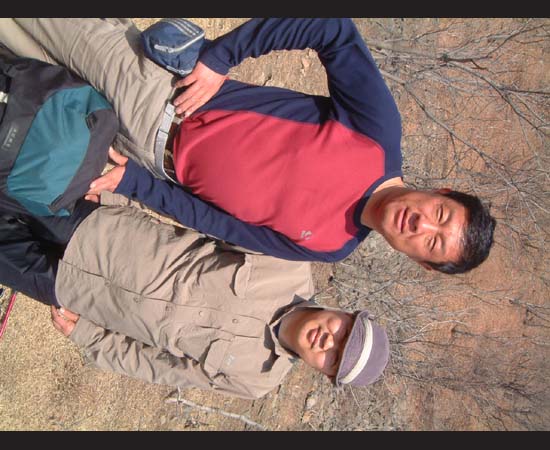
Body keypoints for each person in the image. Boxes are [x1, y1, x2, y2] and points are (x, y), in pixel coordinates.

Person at [0, 18, 496, 273]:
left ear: (420, 261)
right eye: (441, 215)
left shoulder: (331, 248)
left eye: (433, 242)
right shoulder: (379, 134)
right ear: (441, 192)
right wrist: (222, 58)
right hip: (157, 91)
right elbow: (333, 29)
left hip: (136, 157)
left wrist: (132, 183)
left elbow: (219, 223)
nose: (422, 225)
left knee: (17, 74)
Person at [0, 190, 390, 399]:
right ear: (345, 313)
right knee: (8, 185)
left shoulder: (256, 381)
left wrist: (89, 336)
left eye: (334, 358)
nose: (328, 342)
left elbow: (160, 366)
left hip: (76, 293)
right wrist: (121, 193)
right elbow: (199, 217)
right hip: (101, 228)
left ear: (324, 372)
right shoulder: (288, 265)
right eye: (343, 333)